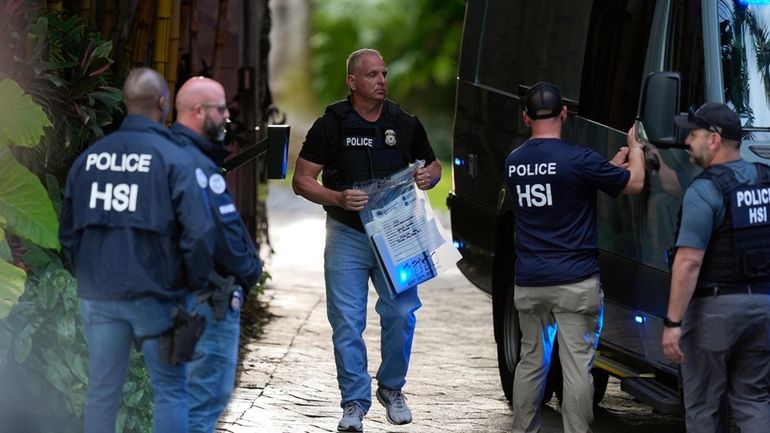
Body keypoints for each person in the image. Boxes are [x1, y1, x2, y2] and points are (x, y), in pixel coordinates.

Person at [292, 48, 441, 432]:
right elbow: (302, 179)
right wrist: (336, 198)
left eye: (384, 74)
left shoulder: (404, 123)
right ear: (352, 81)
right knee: (346, 322)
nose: (381, 81)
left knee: (402, 313)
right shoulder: (331, 125)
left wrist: (431, 177)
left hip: (399, 235)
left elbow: (433, 163)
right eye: (372, 75)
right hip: (347, 233)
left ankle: (392, 388)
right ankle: (354, 402)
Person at [59, 67, 215, 433]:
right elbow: (200, 234)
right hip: (157, 296)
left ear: (126, 103)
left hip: (98, 293)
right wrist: (192, 287)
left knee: (101, 391)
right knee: (171, 391)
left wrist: (87, 275)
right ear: (163, 103)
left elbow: (67, 232)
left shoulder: (88, 160)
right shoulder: (174, 159)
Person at [504, 82, 645, 433]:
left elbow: (561, 184)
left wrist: (607, 167)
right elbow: (634, 184)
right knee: (577, 367)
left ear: (526, 117)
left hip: (530, 281)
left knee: (531, 362)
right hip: (574, 282)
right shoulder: (579, 159)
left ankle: (523, 429)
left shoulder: (514, 162)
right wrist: (635, 150)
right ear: (564, 113)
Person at [661, 102, 770, 433]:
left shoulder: (705, 189)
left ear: (714, 139)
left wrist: (672, 322)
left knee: (704, 404)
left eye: (693, 135)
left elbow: (689, 261)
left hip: (715, 312)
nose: (687, 142)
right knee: (753, 400)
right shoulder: (764, 181)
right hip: (764, 308)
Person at [172, 76, 263, 433]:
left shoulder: (169, 155)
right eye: (220, 108)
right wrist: (249, 272)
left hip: (180, 298)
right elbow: (220, 238)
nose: (227, 116)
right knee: (204, 401)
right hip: (207, 300)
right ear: (197, 111)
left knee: (181, 399)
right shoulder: (196, 166)